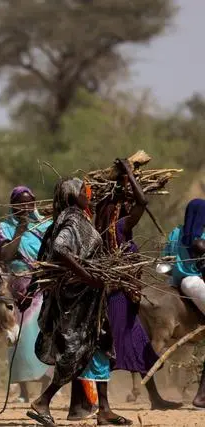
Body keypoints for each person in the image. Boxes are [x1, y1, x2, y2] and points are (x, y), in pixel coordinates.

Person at [25, 177, 131, 427]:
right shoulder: (73, 218)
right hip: (77, 300)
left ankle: (104, 410)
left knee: (101, 343)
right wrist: (88, 277)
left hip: (89, 300)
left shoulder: (76, 217)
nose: (89, 194)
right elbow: (61, 250)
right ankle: (43, 401)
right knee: (76, 351)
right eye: (85, 191)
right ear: (73, 196)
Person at [78, 159, 180, 413]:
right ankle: (80, 400)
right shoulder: (122, 226)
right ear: (118, 210)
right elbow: (143, 202)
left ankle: (153, 397)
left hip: (124, 294)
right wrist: (131, 175)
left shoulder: (103, 230)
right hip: (119, 296)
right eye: (126, 204)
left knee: (137, 346)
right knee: (112, 348)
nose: (131, 206)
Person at [0, 186, 52, 403]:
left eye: (29, 203)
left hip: (42, 288)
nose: (25, 208)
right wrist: (20, 228)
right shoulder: (4, 228)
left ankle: (45, 390)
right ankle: (25, 391)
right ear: (13, 206)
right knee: (22, 339)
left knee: (42, 335)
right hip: (17, 291)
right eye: (20, 204)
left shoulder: (45, 226)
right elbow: (5, 255)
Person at [164, 198, 205, 315]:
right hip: (193, 281)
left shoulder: (174, 232)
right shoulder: (202, 237)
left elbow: (165, 263)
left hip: (174, 281)